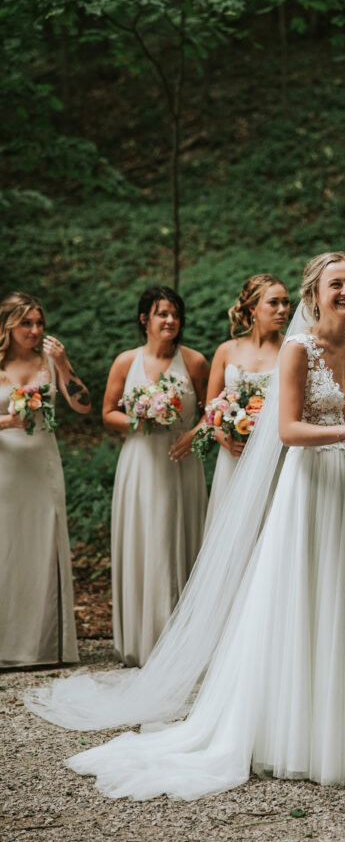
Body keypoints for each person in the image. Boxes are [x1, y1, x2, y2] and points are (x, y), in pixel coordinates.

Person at [27, 253, 345, 800]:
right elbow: (290, 429)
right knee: (307, 594)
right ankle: (300, 732)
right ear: (312, 294)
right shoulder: (298, 350)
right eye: (335, 284)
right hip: (312, 485)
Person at [103, 286, 209, 667]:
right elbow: (108, 412)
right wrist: (140, 417)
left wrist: (193, 435)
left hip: (179, 461)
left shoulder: (195, 361)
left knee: (176, 540)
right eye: (162, 313)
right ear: (144, 319)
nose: (170, 320)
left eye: (175, 314)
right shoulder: (125, 362)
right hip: (140, 462)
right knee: (144, 540)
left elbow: (210, 411)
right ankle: (141, 639)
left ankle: (180, 641)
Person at [0, 291, 91, 668]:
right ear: (8, 325)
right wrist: (7, 421)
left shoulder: (49, 362)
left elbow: (84, 404)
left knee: (39, 548)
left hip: (42, 467)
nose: (35, 330)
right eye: (27, 323)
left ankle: (42, 647)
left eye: (39, 323)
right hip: (4, 469)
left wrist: (64, 364)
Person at [201, 274, 289, 532]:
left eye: (286, 302)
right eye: (273, 303)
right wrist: (221, 435)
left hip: (275, 457)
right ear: (253, 308)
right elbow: (210, 411)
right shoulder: (227, 351)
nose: (283, 309)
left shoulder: (293, 349)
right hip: (233, 457)